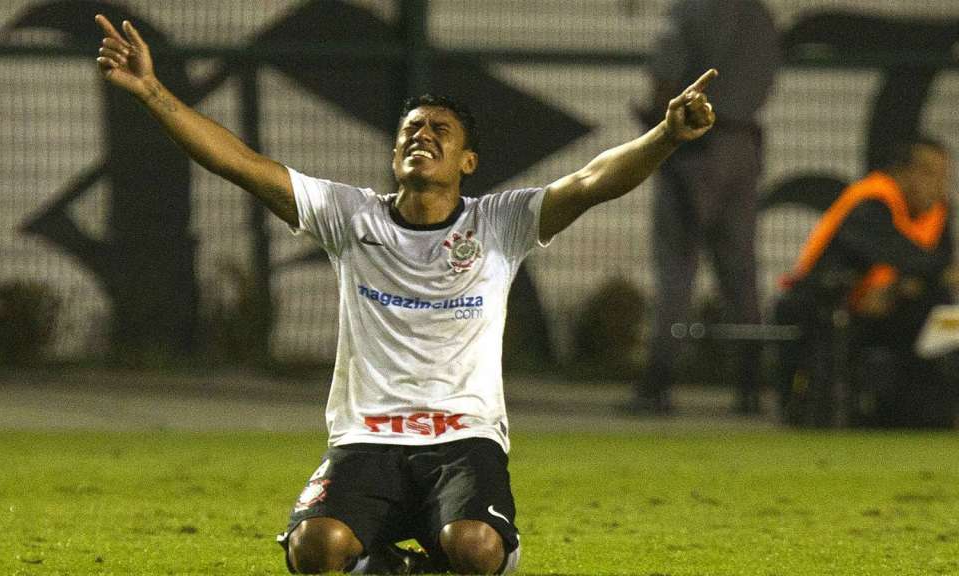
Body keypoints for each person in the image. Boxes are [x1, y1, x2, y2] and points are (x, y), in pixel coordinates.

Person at [94, 15, 717, 574]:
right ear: (395, 153)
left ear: (468, 161)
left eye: (440, 129)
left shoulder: (497, 224)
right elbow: (239, 162)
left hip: (464, 441)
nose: (423, 135)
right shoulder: (348, 216)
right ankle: (389, 564)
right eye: (411, 129)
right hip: (367, 439)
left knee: (475, 547)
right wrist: (151, 91)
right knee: (314, 549)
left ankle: (448, 552)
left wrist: (664, 136)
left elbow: (590, 182)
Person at [631, 0, 779, 414]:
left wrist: (659, 126)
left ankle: (657, 384)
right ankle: (751, 386)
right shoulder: (760, 16)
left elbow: (665, 72)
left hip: (693, 148)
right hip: (744, 147)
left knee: (677, 267)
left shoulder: (693, 9)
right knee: (740, 271)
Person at [777, 137, 957, 428]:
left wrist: (899, 288)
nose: (939, 185)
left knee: (943, 310)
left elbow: (934, 267)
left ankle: (931, 410)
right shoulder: (871, 199)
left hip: (891, 307)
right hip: (827, 309)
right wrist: (919, 278)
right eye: (929, 173)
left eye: (944, 176)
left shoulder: (938, 211)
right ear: (902, 172)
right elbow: (893, 251)